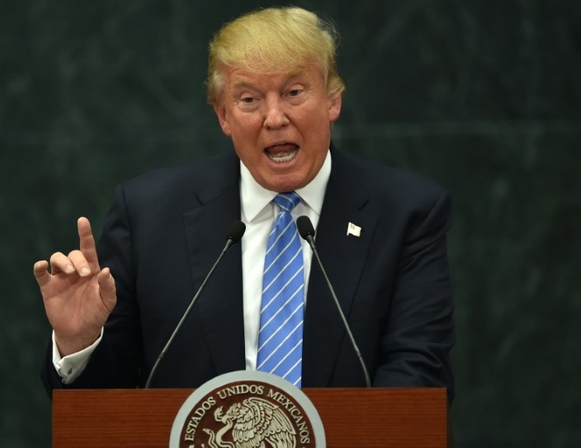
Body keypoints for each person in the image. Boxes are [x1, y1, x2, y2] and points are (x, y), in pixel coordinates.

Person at [35, 6, 455, 402]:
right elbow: (108, 399)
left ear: (332, 101)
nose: (274, 118)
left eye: (293, 92)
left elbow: (418, 372)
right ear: (222, 116)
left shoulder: (406, 213)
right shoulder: (149, 216)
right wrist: (79, 342)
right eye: (249, 99)